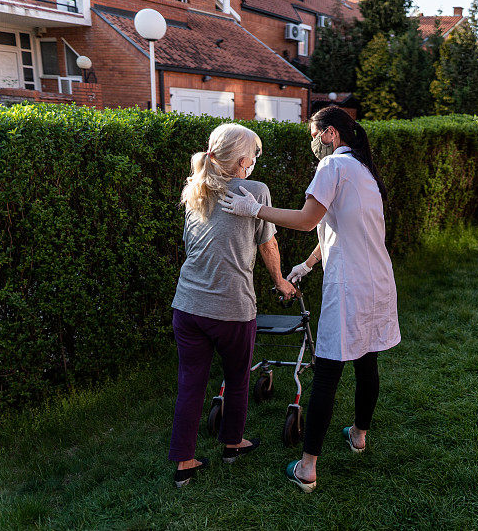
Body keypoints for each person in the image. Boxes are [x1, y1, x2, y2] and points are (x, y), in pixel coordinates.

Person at [219, 106, 401, 492]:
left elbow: (305, 219)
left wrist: (256, 209)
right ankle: (358, 436)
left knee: (328, 373)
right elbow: (341, 227)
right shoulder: (366, 170)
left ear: (331, 134)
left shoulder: (333, 167)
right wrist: (308, 263)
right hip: (378, 283)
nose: (312, 144)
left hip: (351, 286)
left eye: (313, 135)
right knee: (368, 361)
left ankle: (306, 468)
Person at [169, 123, 295, 488]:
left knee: (190, 383)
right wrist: (280, 281)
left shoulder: (196, 188)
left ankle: (184, 463)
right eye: (253, 156)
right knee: (238, 377)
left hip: (187, 305)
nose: (254, 162)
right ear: (242, 161)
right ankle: (232, 443)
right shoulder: (255, 191)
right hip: (231, 308)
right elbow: (268, 246)